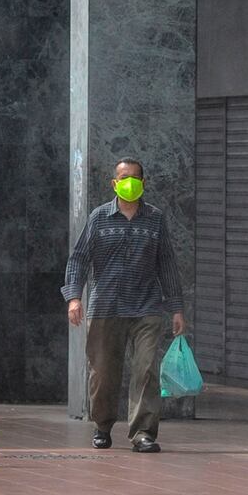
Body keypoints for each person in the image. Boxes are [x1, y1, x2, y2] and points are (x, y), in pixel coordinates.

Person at [62, 158, 186, 454]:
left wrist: (177, 307)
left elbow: (166, 263)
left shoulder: (155, 219)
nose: (129, 182)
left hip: (146, 307)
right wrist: (74, 297)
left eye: (134, 177)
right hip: (106, 306)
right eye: (123, 177)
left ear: (144, 182)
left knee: (145, 371)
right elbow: (79, 257)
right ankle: (102, 426)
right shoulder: (99, 217)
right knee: (103, 372)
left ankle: (143, 432)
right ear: (114, 183)